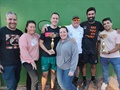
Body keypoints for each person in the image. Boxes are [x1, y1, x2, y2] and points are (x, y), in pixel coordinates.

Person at [80, 7, 104, 89]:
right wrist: (47, 25)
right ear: (87, 15)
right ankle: (84, 80)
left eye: (92, 14)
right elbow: (73, 28)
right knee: (84, 65)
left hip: (94, 50)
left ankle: (93, 79)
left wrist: (116, 31)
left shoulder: (98, 24)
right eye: (89, 14)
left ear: (95, 14)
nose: (91, 15)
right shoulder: (83, 24)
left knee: (93, 65)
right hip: (84, 49)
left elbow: (106, 30)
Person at [0, 12, 23, 90]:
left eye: (14, 19)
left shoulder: (20, 33)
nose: (12, 21)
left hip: (18, 64)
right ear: (6, 19)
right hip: (6, 65)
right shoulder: (1, 31)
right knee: (11, 85)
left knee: (15, 84)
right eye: (10, 19)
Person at [40, 12, 60, 90]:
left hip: (55, 56)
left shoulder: (60, 30)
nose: (55, 20)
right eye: (53, 18)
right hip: (45, 56)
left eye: (56, 18)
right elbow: (40, 43)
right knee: (44, 74)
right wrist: (48, 51)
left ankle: (52, 88)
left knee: (53, 72)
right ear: (50, 19)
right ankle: (43, 89)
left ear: (58, 20)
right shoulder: (46, 29)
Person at [99, 17, 120, 90]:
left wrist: (108, 52)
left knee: (118, 72)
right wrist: (99, 51)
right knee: (105, 71)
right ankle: (105, 82)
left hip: (115, 57)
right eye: (104, 24)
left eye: (108, 23)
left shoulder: (117, 33)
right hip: (103, 57)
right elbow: (100, 43)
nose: (106, 25)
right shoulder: (101, 34)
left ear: (111, 23)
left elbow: (118, 47)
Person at [19, 20, 40, 90]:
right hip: (27, 61)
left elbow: (44, 38)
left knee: (30, 78)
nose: (32, 29)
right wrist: (32, 62)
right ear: (27, 28)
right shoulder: (23, 37)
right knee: (35, 78)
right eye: (30, 27)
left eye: (34, 27)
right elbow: (24, 51)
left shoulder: (36, 36)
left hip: (34, 60)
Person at [66, 16, 84, 87]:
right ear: (71, 21)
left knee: (77, 67)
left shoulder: (82, 29)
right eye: (74, 20)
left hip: (79, 52)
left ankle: (75, 80)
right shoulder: (67, 28)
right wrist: (46, 25)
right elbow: (57, 27)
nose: (76, 21)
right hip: (70, 52)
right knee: (69, 66)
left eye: (78, 20)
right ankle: (68, 80)